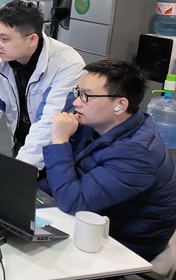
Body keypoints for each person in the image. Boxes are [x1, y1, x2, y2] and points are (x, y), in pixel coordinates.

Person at [39, 60, 176, 262]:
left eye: (86, 96)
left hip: (125, 243)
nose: (76, 102)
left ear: (120, 105)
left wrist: (60, 141)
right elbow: (67, 175)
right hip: (96, 217)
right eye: (78, 92)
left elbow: (73, 202)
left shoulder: (137, 154)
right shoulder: (96, 122)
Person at [0, 0, 85, 170]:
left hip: (56, 153)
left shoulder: (67, 64)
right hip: (21, 142)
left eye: (4, 39)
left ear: (32, 39)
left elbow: (48, 124)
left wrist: (18, 170)